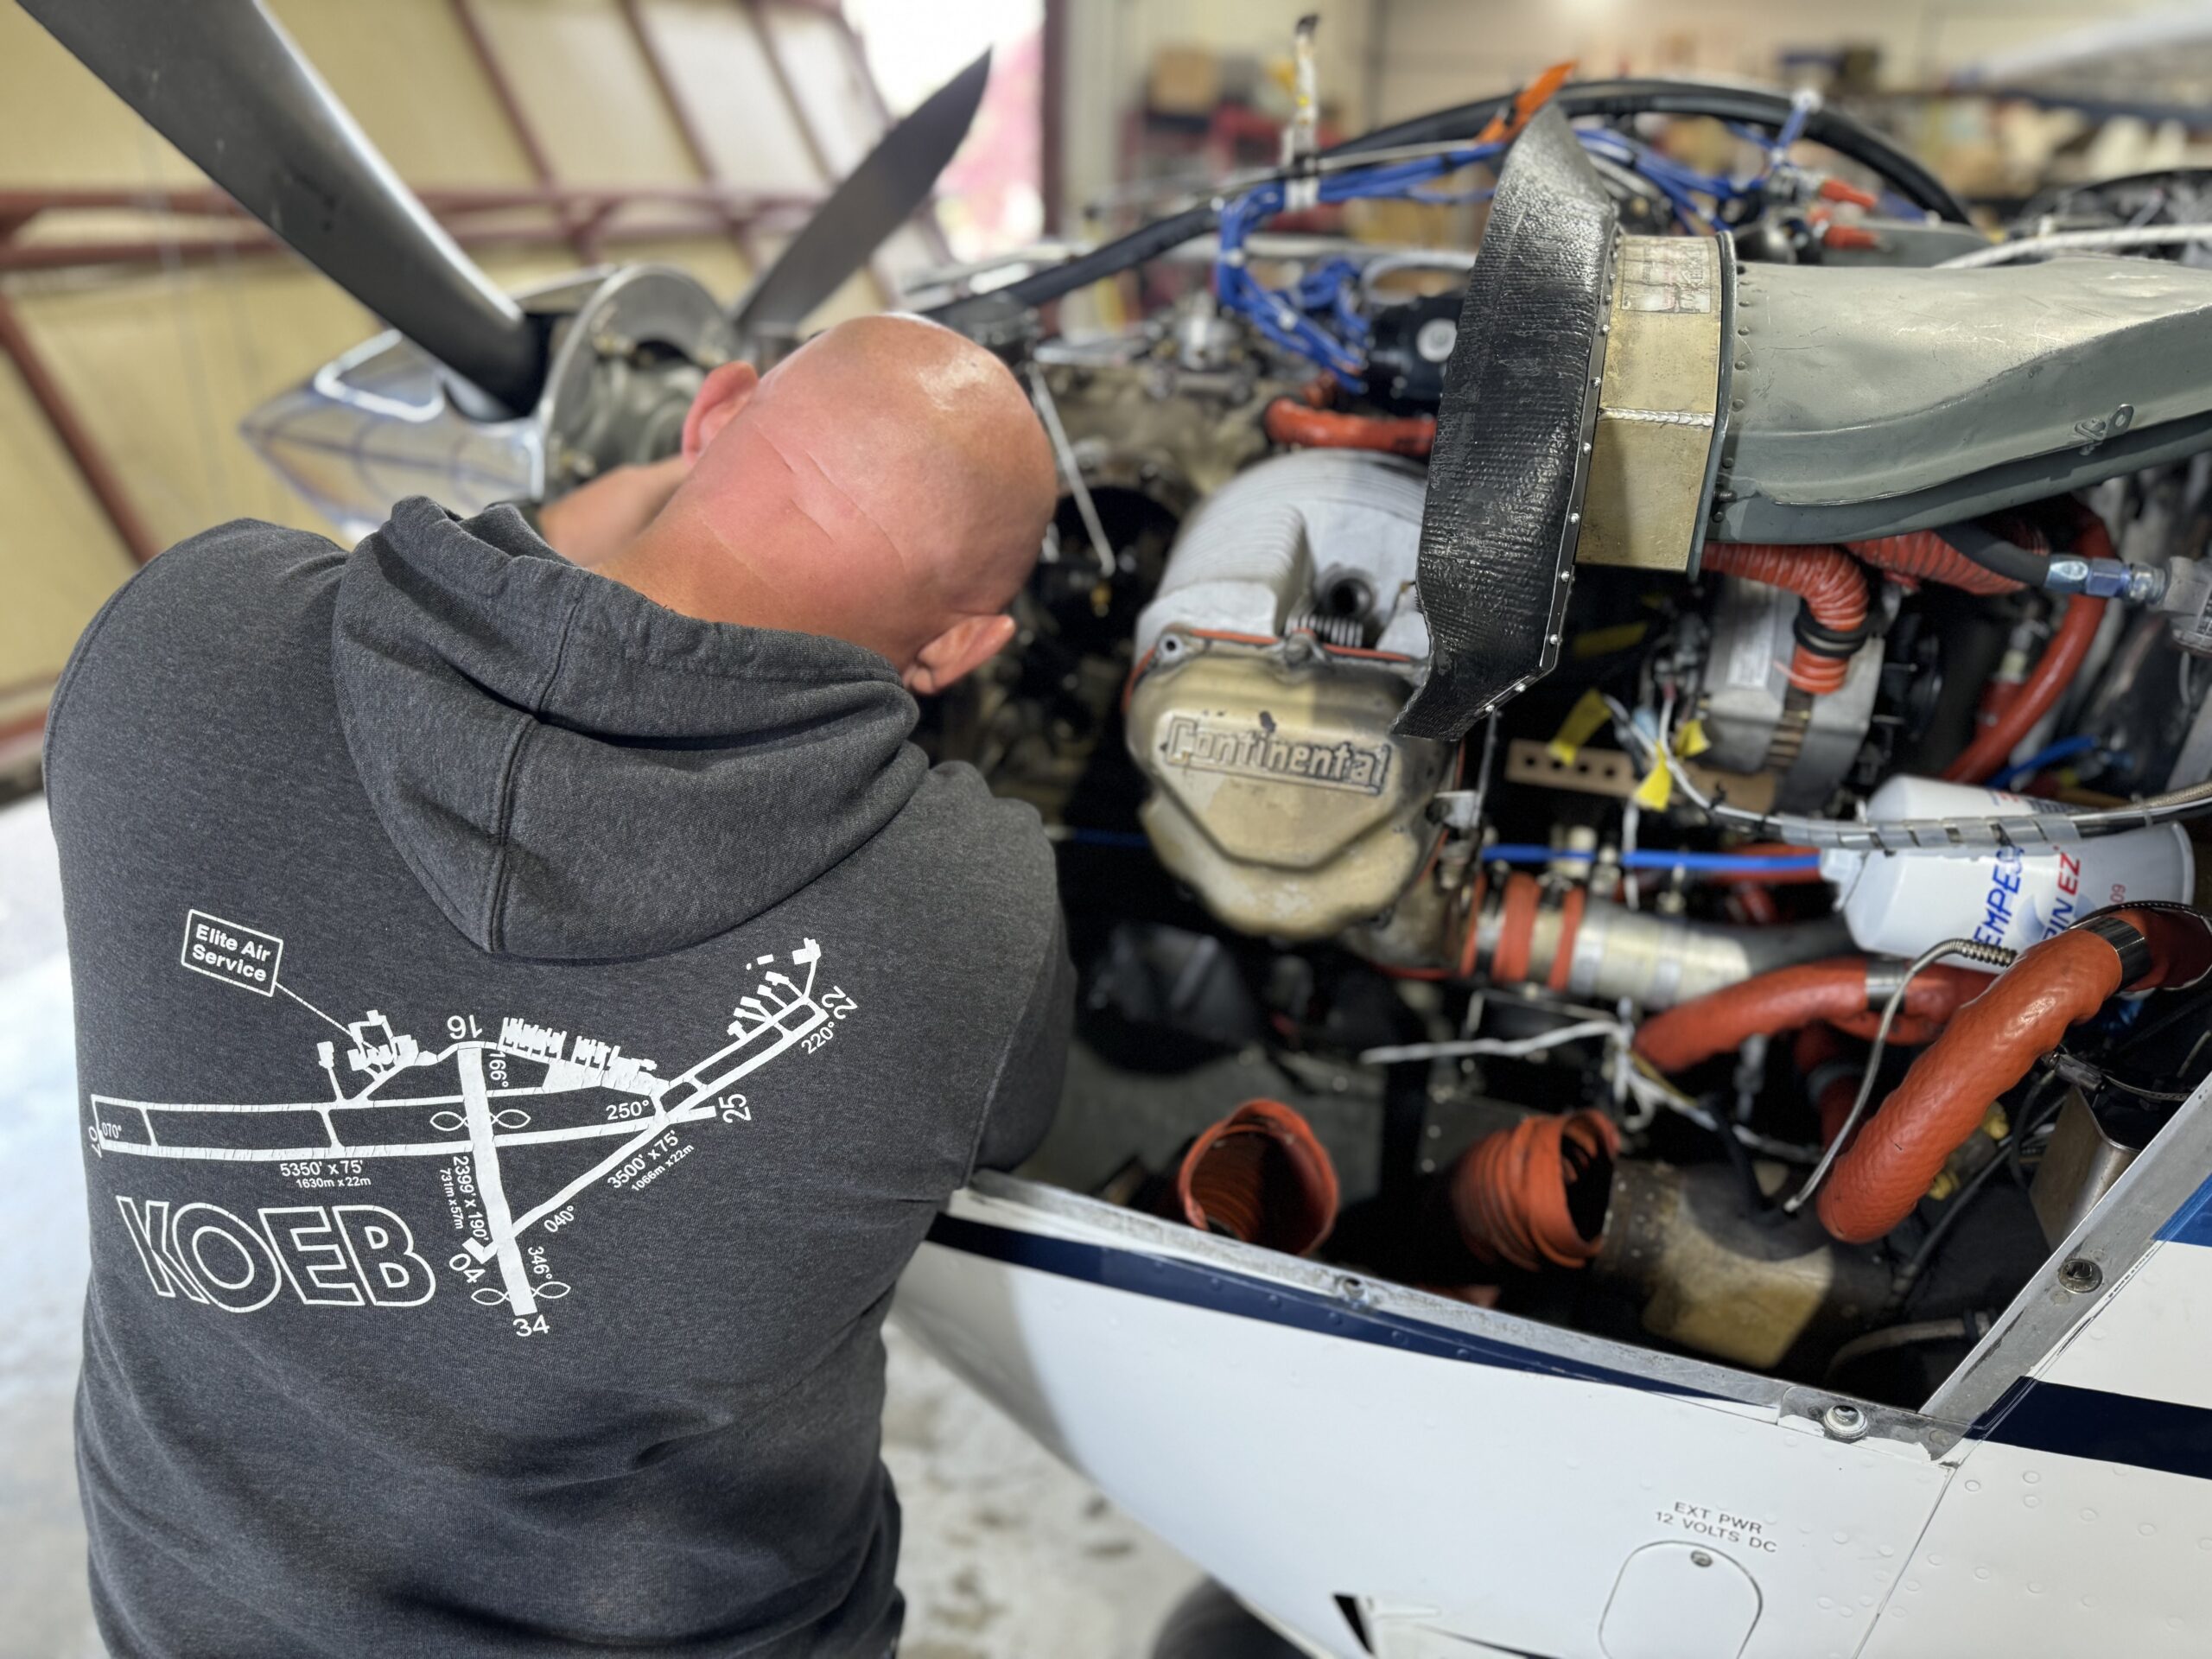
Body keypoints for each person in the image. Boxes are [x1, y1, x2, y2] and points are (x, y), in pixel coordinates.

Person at [47, 314, 1071, 1657]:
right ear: (961, 650)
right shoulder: (969, 916)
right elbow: (1009, 1136)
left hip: (188, 1620)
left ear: (709, 413)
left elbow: (442, 594)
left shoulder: (178, 640)